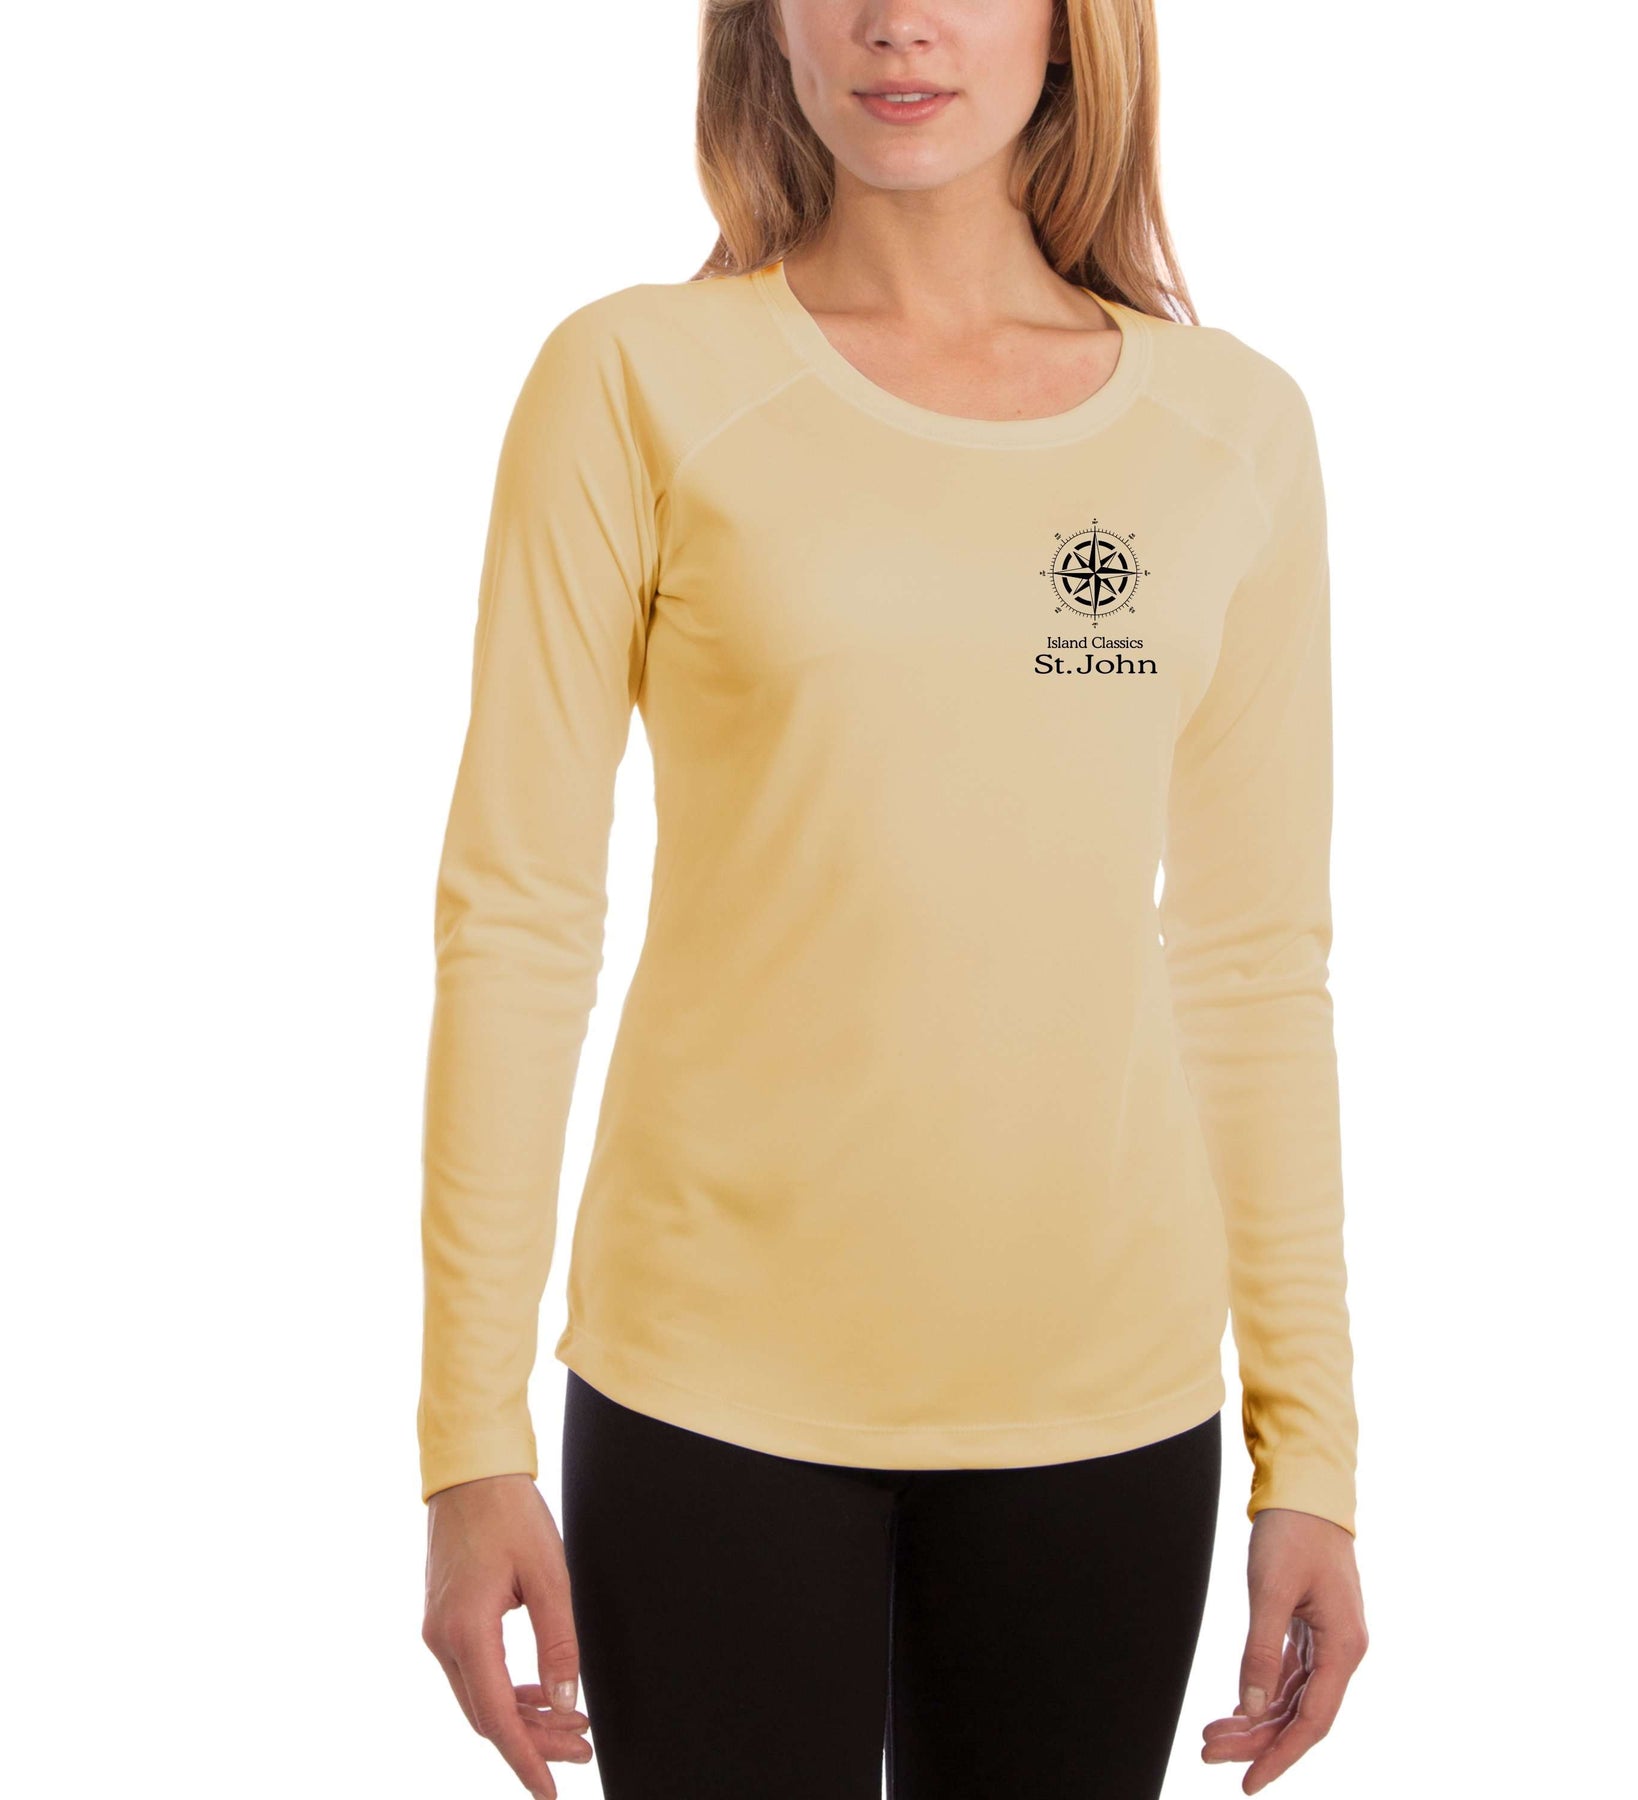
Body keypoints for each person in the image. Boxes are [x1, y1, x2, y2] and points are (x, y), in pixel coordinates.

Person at [417, 3, 1368, 1797]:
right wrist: (470, 1445)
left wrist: (1308, 1457)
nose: (897, 21)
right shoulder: (633, 381)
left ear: (1073, 28)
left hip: (1105, 1407)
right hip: (707, 1388)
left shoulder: (1231, 432)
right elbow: (519, 915)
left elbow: (1254, 964)